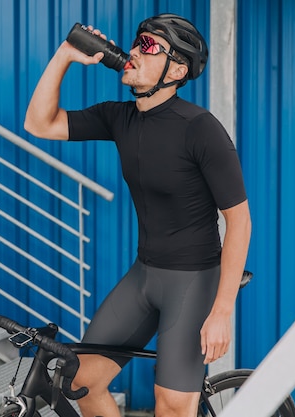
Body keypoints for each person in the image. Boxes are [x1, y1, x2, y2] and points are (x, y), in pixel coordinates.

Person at [24, 13, 252, 417]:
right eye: (136, 42)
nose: (133, 52)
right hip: (145, 274)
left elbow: (239, 221)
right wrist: (65, 55)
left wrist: (221, 311)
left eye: (148, 46)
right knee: (80, 383)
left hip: (194, 281)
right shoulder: (121, 117)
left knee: (171, 407)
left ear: (177, 69)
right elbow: (39, 124)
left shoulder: (200, 128)